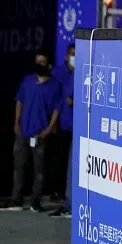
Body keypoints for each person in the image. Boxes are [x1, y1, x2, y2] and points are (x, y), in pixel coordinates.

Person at [0, 51, 62, 212]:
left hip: (40, 133)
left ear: (49, 65)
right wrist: (16, 121)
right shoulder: (27, 81)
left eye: (42, 62)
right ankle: (16, 200)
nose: (38, 65)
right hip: (23, 131)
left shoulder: (55, 85)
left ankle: (35, 201)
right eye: (37, 61)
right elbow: (20, 100)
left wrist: (48, 129)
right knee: (18, 166)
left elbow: (56, 109)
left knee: (39, 170)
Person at [50, 44, 75, 217]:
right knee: (60, 160)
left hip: (76, 126)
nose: (74, 57)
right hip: (62, 124)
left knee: (72, 163)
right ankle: (60, 193)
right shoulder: (59, 73)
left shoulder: (80, 73)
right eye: (72, 54)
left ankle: (70, 200)